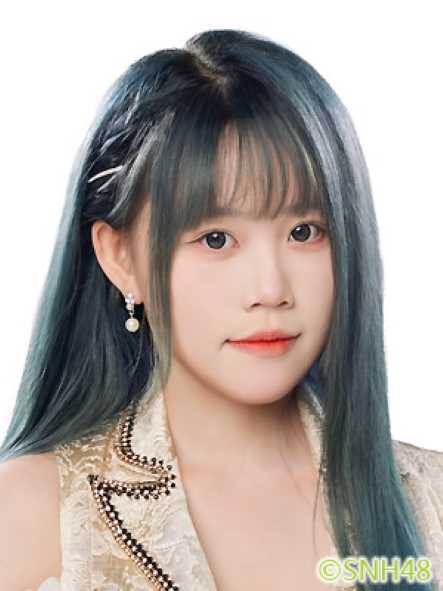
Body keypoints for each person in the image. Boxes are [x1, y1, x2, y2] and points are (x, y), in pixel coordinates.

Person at [0, 28, 441, 591]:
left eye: (305, 232)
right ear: (120, 257)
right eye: (216, 239)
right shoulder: (36, 515)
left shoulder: (429, 504)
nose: (270, 289)